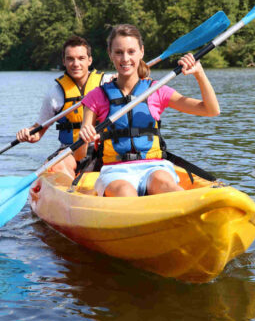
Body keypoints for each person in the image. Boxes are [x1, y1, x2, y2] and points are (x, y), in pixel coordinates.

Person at [75, 24, 220, 197]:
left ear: (141, 52)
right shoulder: (96, 96)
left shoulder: (156, 90)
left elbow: (211, 110)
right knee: (125, 192)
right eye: (119, 52)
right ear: (110, 54)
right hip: (115, 171)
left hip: (154, 167)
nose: (125, 58)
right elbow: (79, 155)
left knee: (165, 185)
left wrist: (199, 74)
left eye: (131, 51)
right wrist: (84, 138)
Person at [16, 35, 112, 178]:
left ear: (89, 60)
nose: (76, 63)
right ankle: (69, 190)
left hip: (103, 147)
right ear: (64, 61)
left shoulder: (108, 82)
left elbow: (133, 83)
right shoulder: (55, 94)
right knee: (58, 164)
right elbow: (37, 132)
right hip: (70, 151)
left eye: (81, 58)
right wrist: (26, 133)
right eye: (70, 59)